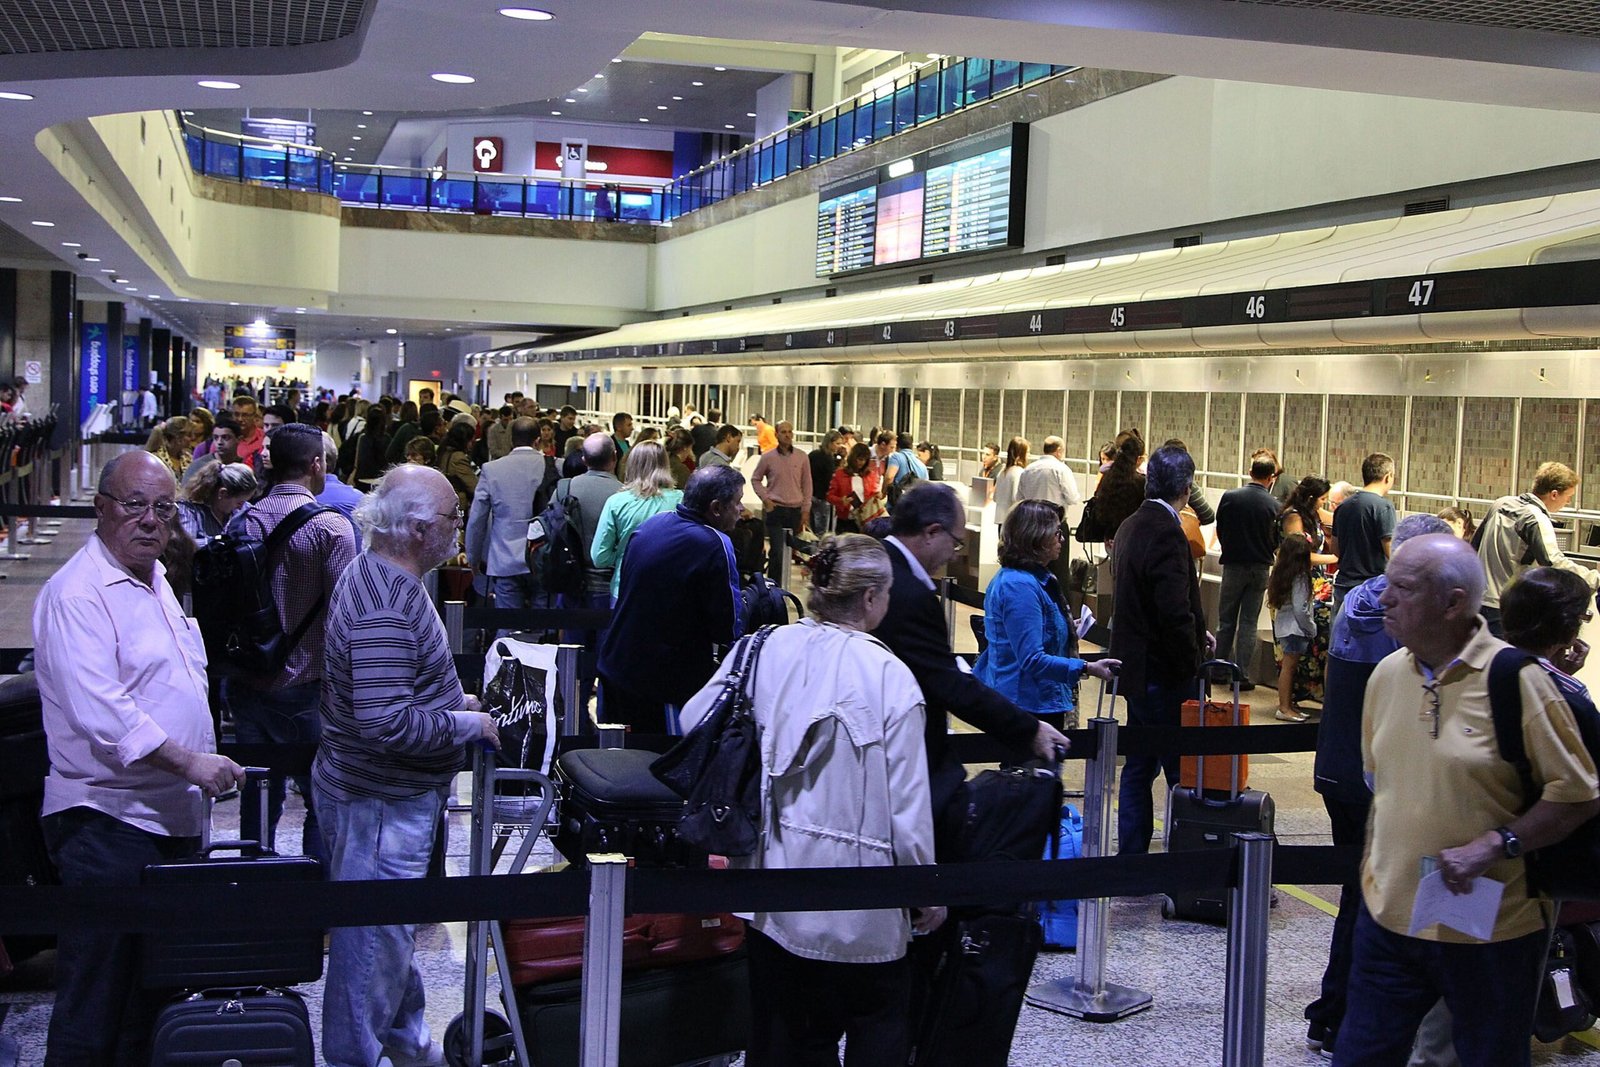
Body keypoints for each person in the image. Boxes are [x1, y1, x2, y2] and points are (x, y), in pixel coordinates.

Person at [1333, 534, 1599, 1067]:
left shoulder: (1519, 683)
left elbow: (1578, 796)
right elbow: (1379, 784)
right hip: (1388, 921)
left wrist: (1497, 844)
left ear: (1454, 603)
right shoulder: (1386, 675)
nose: (1383, 597)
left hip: (1491, 931)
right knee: (1360, 1055)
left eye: (1403, 588)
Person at [679, 534, 943, 1063]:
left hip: (773, 894)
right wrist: (924, 890)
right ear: (870, 597)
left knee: (786, 1042)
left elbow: (692, 720)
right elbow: (908, 809)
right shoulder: (891, 676)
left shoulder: (759, 647)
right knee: (878, 1031)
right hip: (862, 908)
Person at [34, 450, 246, 1063]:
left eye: (164, 507)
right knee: (95, 999)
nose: (151, 520)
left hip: (170, 821)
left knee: (150, 999)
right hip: (106, 824)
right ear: (100, 509)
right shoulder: (77, 594)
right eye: (134, 506)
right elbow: (104, 715)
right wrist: (191, 764)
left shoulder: (156, 581)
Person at [315, 464, 501, 1067]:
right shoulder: (387, 606)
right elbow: (385, 721)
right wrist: (465, 723)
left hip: (374, 798)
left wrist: (450, 702)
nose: (458, 528)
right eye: (453, 517)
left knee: (386, 946)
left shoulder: (379, 575)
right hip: (380, 805)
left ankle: (411, 1050)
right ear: (420, 528)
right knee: (369, 954)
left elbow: (388, 692)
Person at [1304, 513, 1452, 1060]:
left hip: (1336, 769)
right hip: (1373, 780)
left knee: (1355, 894)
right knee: (1368, 901)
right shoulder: (1405, 628)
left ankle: (1332, 1014)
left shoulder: (1359, 599)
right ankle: (1341, 1017)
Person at [870, 483, 1069, 848]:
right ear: (932, 532)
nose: (954, 552)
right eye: (955, 541)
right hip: (898, 758)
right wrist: (1028, 730)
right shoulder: (908, 593)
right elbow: (945, 682)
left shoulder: (882, 564)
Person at [220, 424, 357, 863]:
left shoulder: (244, 520)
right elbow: (343, 615)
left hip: (246, 679)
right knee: (321, 798)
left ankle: (256, 889)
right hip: (305, 683)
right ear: (317, 465)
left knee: (258, 793)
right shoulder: (331, 529)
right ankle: (315, 903)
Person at [1109, 444, 1214, 855]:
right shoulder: (1168, 532)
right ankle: (1188, 856)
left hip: (1137, 666)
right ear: (1186, 489)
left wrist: (1195, 630)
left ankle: (1132, 853)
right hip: (1165, 673)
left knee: (1139, 763)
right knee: (1179, 769)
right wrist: (1192, 657)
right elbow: (1173, 611)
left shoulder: (1131, 525)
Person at [596, 464, 744, 732]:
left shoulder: (652, 525)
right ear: (716, 508)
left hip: (616, 664)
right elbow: (728, 626)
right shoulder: (714, 543)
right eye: (737, 502)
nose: (742, 510)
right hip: (661, 683)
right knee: (661, 766)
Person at [975, 499, 1119, 731]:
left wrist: (1066, 627)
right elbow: (1031, 658)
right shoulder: (1019, 586)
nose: (1061, 539)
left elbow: (1031, 632)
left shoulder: (1030, 579)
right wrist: (1087, 667)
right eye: (1055, 533)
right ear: (1035, 537)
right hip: (1028, 705)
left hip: (1036, 700)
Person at [1476, 461, 1599, 637]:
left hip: (1478, 599)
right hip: (1505, 605)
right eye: (1568, 496)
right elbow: (1554, 563)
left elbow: (1475, 545)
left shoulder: (1501, 503)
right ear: (1554, 494)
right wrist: (1594, 578)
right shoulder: (1536, 519)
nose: (1569, 501)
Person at [554, 433, 626, 713]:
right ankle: (606, 725)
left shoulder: (564, 489)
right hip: (609, 590)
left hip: (572, 586)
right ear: (614, 458)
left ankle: (571, 718)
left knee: (572, 660)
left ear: (583, 459)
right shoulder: (624, 495)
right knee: (607, 663)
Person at [467, 416, 555, 612]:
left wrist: (473, 558)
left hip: (504, 559)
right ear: (538, 440)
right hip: (543, 559)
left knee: (506, 629)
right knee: (543, 630)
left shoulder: (491, 469)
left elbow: (477, 519)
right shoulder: (554, 466)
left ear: (511, 440)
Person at [1213, 451, 1280, 687]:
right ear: (1271, 477)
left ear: (1250, 472)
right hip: (1261, 567)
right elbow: (1276, 540)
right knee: (1249, 622)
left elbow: (1220, 528)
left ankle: (1218, 669)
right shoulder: (1275, 505)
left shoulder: (1230, 497)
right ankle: (1241, 675)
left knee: (1226, 621)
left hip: (1233, 565)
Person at [592, 441, 683, 602]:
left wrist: (622, 554)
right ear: (665, 465)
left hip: (625, 586)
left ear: (632, 465)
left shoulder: (616, 502)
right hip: (670, 588)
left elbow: (600, 557)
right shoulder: (681, 500)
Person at [1330, 452, 1396, 612]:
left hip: (1343, 586)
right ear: (1388, 477)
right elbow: (1391, 552)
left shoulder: (1343, 507)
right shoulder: (1383, 507)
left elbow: (1335, 550)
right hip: (1370, 591)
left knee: (1341, 635)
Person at [751, 420, 812, 581]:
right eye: (784, 432)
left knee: (791, 552)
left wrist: (806, 509)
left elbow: (807, 485)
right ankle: (774, 588)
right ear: (776, 434)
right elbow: (755, 479)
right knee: (777, 551)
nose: (787, 435)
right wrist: (766, 500)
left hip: (795, 510)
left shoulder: (802, 457)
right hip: (776, 509)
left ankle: (784, 585)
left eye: (790, 432)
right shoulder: (768, 457)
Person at [1267, 534, 1316, 722]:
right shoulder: (1301, 577)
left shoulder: (1281, 573)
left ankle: (1287, 705)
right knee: (1289, 668)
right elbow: (1300, 608)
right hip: (1296, 629)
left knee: (1287, 667)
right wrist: (1311, 628)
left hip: (1285, 626)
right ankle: (1285, 707)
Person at [177, 459, 257, 547]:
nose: (241, 507)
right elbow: (185, 546)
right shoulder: (189, 509)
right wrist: (220, 541)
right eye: (239, 502)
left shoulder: (244, 508)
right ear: (223, 493)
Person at [1090, 429, 1146, 546]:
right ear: (1138, 459)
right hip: (1132, 539)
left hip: (1110, 538)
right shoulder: (1141, 482)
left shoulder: (1107, 477)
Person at [828, 442, 885, 533]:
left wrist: (878, 495)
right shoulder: (840, 474)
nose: (861, 462)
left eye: (864, 460)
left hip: (865, 519)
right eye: (859, 459)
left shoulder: (870, 475)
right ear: (853, 458)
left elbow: (874, 493)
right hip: (845, 520)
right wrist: (841, 500)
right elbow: (830, 496)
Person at [1016, 435, 1083, 512]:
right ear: (1059, 451)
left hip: (1031, 517)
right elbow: (1072, 498)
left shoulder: (1028, 470)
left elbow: (1019, 498)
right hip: (1054, 517)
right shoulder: (1062, 469)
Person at [435, 420, 479, 506]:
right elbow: (473, 486)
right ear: (463, 440)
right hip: (458, 504)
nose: (471, 445)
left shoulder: (443, 451)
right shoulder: (458, 458)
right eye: (470, 441)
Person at [809, 430, 844, 534]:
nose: (839, 446)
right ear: (829, 443)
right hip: (823, 497)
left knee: (812, 528)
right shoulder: (828, 459)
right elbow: (831, 478)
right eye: (837, 443)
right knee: (821, 531)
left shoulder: (813, 454)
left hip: (810, 495)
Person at [350, 404, 391, 490]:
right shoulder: (387, 439)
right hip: (380, 480)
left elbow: (358, 460)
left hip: (362, 477)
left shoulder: (363, 438)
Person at [991, 435, 1029, 527]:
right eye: (1027, 452)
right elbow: (1017, 499)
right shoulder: (1019, 472)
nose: (1029, 455)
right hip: (1014, 522)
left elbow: (995, 497)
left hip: (1001, 520)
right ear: (1021, 454)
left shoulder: (1002, 472)